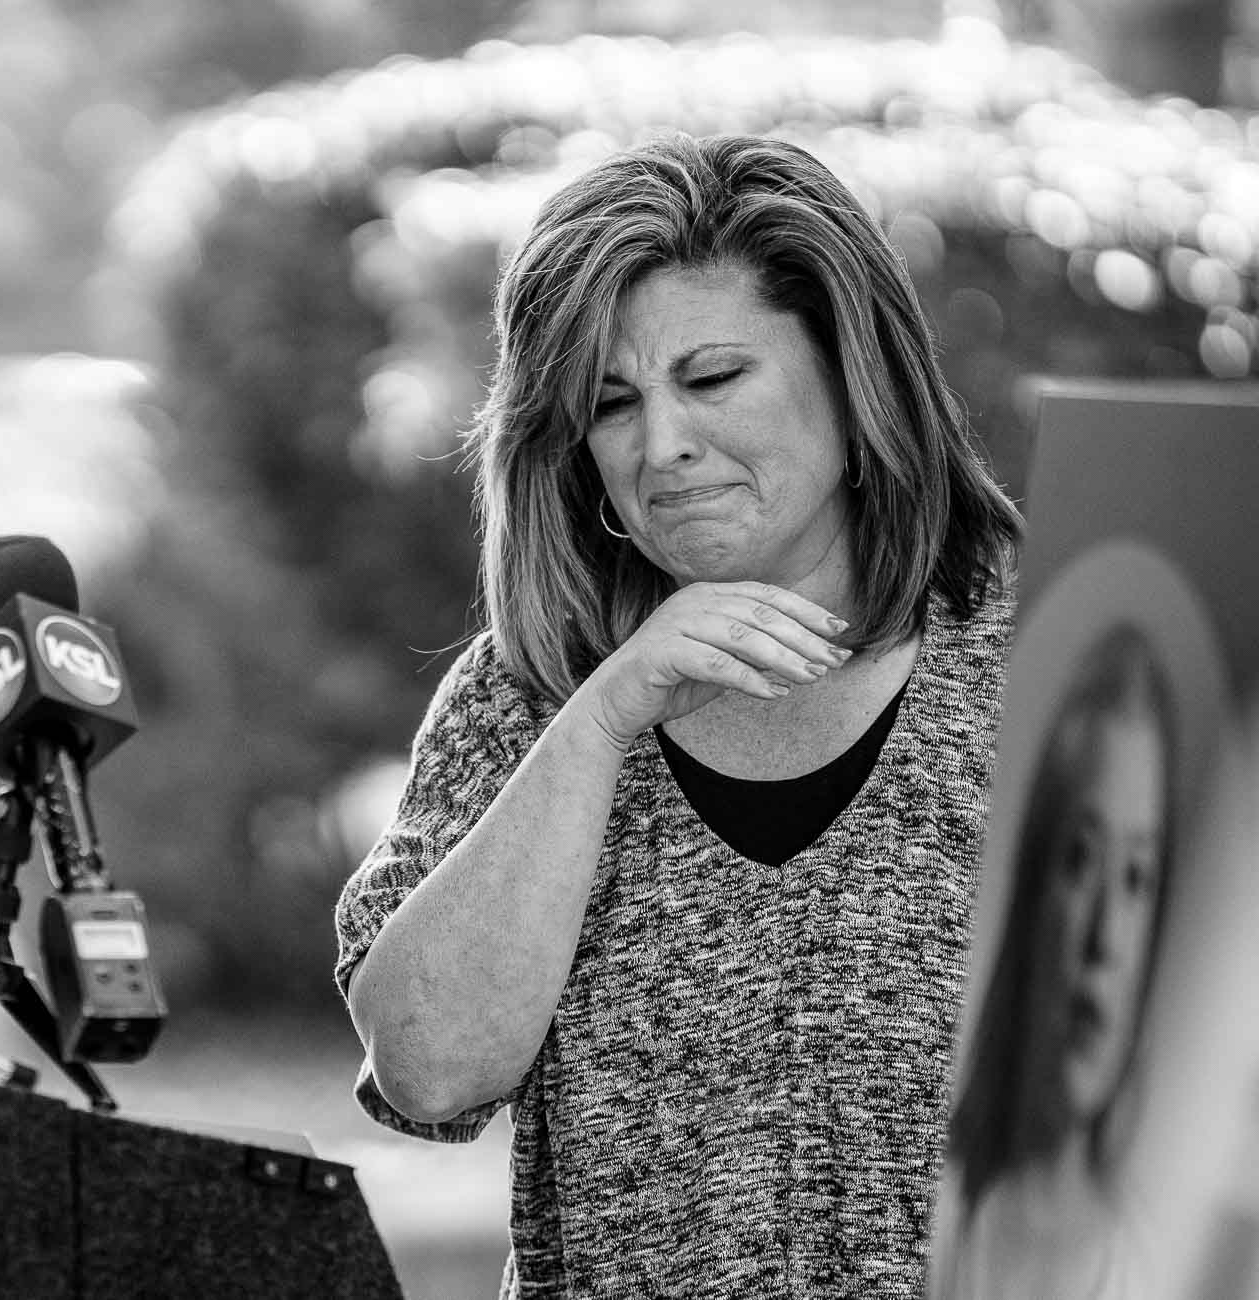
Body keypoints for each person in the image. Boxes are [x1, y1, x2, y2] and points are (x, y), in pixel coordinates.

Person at [334, 132, 1022, 1299]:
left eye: (711, 379)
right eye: (612, 405)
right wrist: (603, 721)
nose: (663, 445)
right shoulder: (533, 693)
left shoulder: (1034, 653)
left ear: (859, 379)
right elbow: (429, 1070)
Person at [929, 625, 1177, 1300]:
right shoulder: (929, 1207)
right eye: (1078, 860)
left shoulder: (1155, 1272)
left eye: (1135, 879)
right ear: (1033, 890)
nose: (1105, 938)